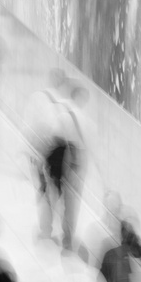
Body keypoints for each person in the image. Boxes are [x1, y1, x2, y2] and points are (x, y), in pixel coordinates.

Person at [27, 71, 88, 249]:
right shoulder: (84, 119)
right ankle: (67, 238)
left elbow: (49, 136)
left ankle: (46, 231)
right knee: (68, 201)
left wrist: (38, 157)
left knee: (47, 195)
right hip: (72, 162)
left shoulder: (56, 109)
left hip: (55, 157)